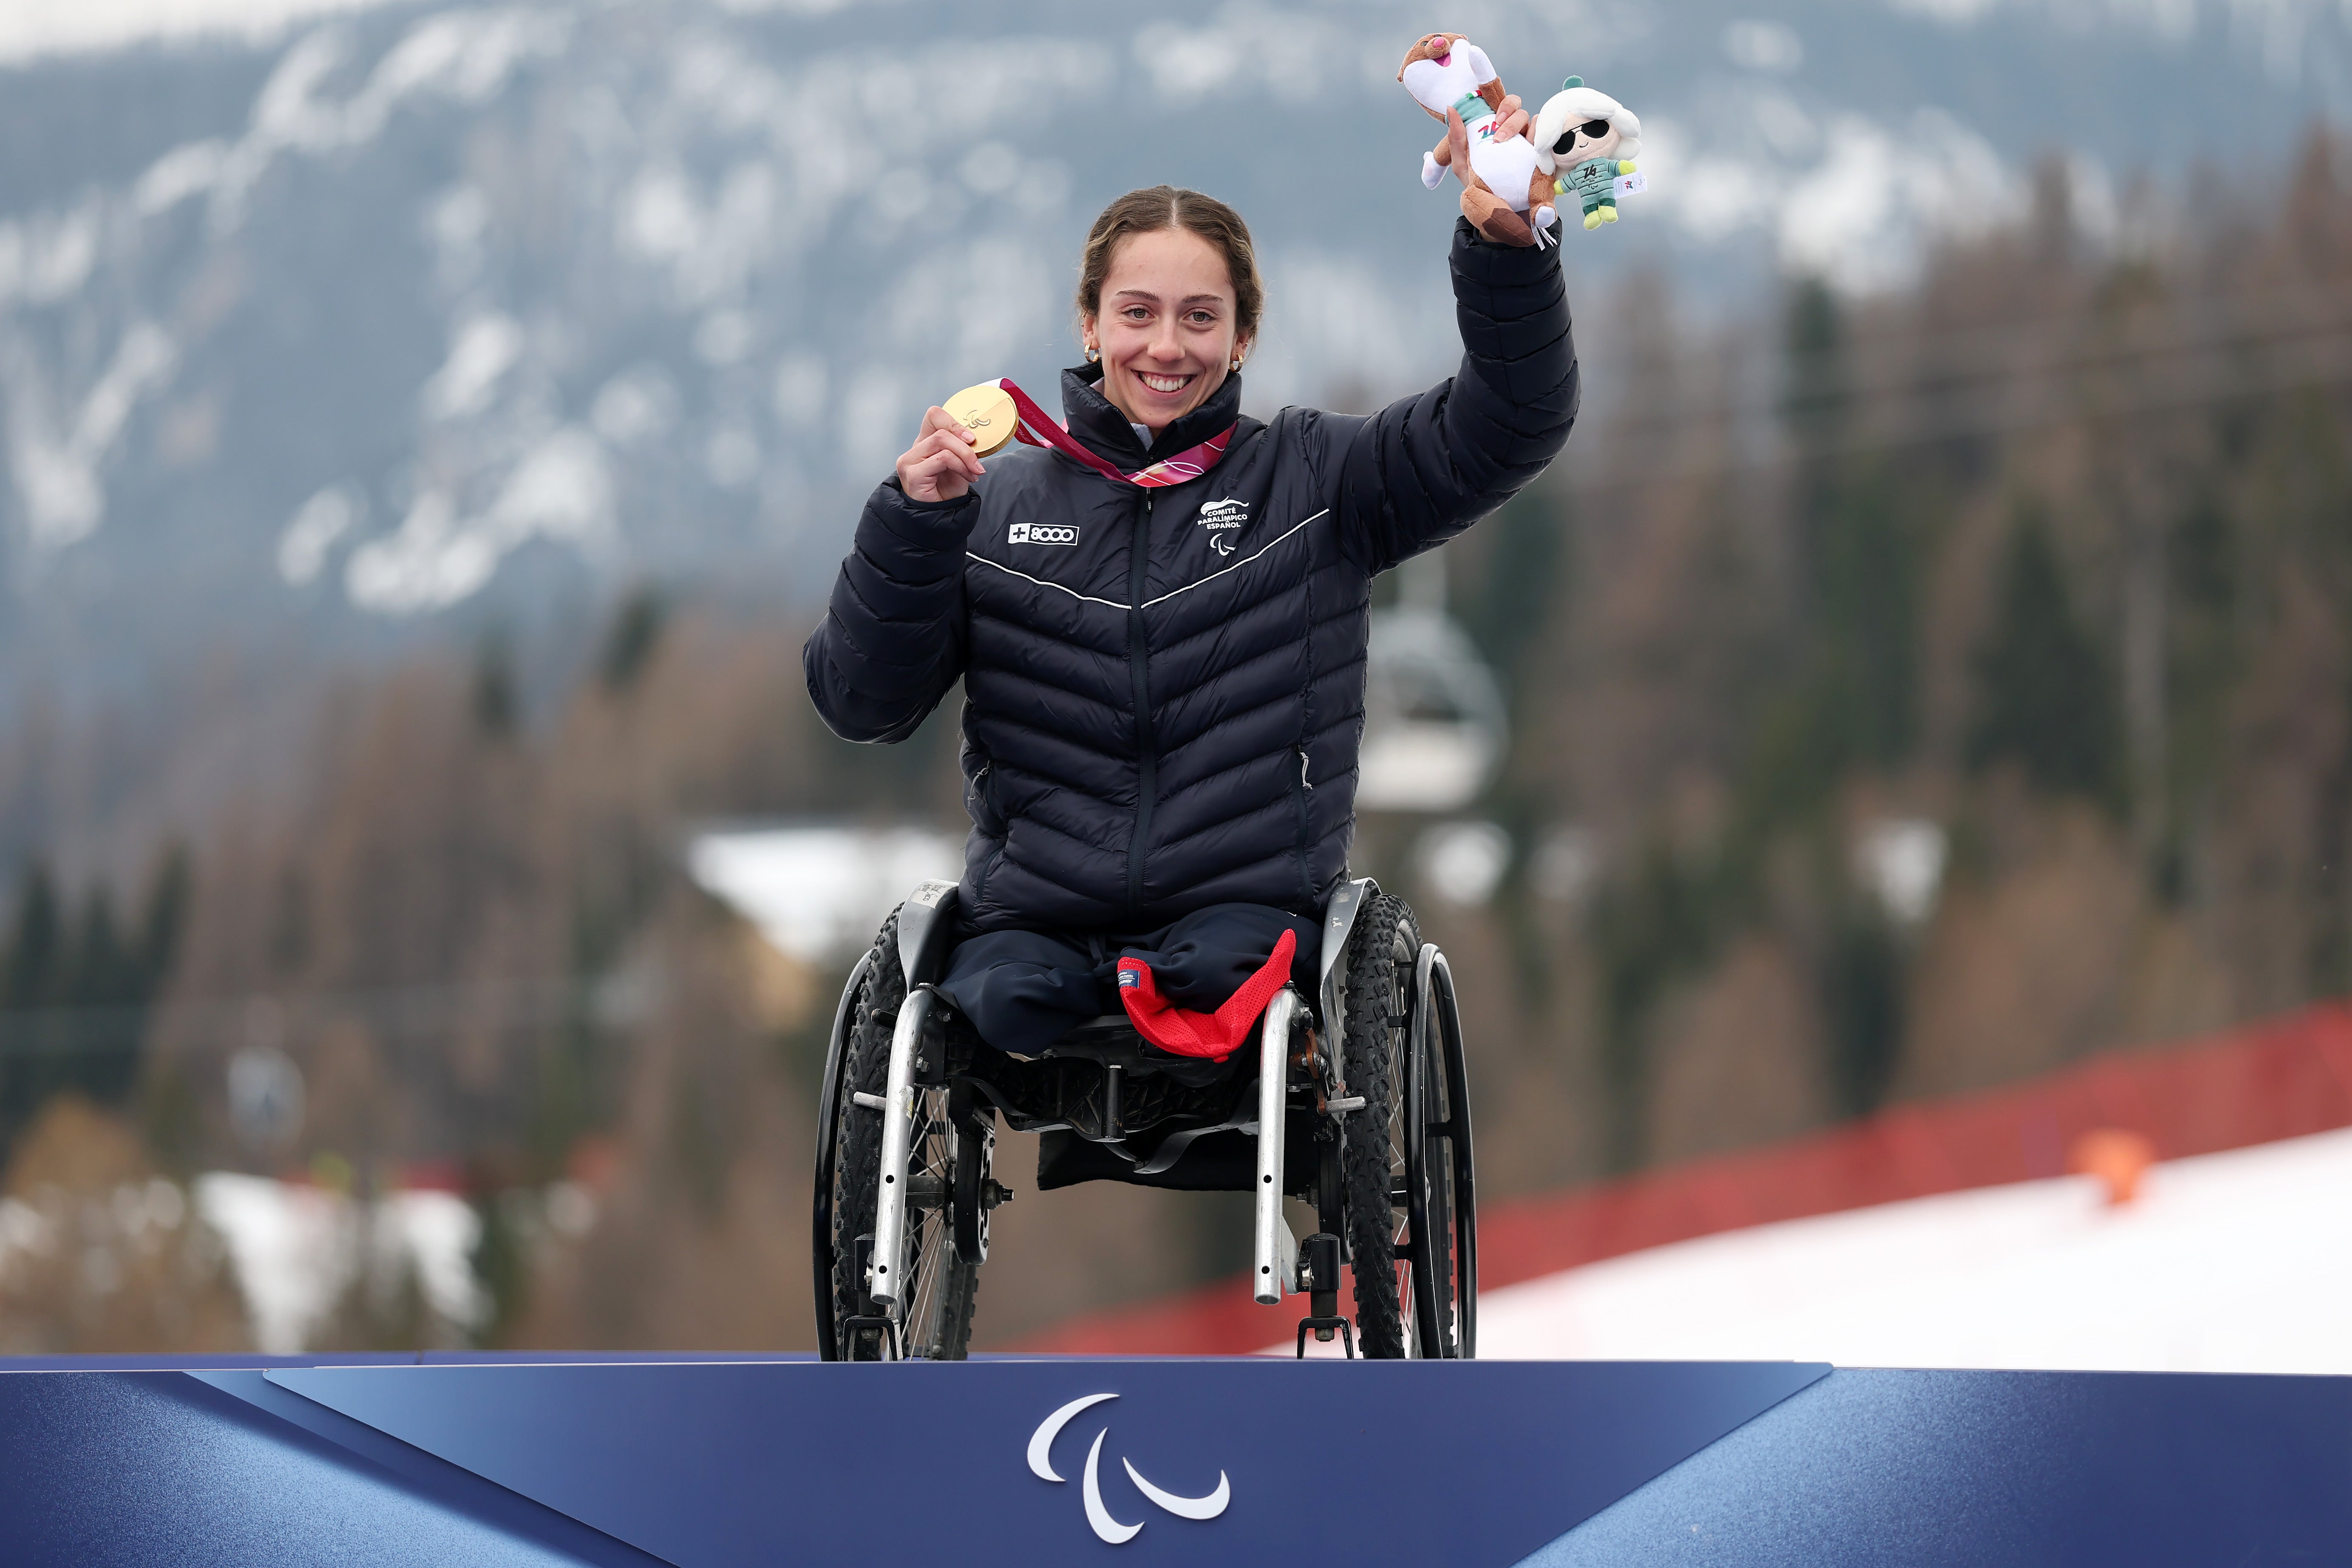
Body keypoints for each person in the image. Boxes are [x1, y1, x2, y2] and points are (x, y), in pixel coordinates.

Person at [804, 170, 1577, 1087]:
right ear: (1090, 325)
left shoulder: (1315, 479)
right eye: (1137, 313)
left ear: (1242, 335)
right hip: (1035, 928)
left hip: (1243, 923)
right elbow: (861, 703)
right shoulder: (988, 506)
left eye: (1200, 317)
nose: (1165, 346)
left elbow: (1510, 423)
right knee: (1000, 993)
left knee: (1223, 980)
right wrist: (912, 524)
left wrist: (1506, 254)